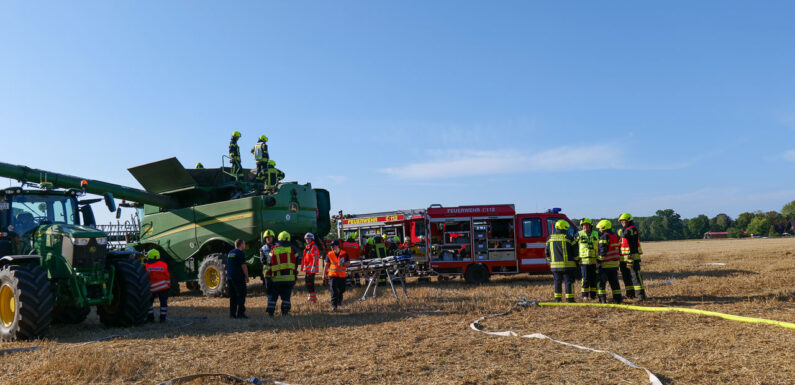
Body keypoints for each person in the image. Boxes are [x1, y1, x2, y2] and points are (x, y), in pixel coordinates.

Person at [545, 220, 579, 303]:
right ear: (565, 228)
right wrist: (577, 260)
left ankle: (557, 299)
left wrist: (551, 261)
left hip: (554, 266)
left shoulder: (549, 238)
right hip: (568, 265)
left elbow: (547, 253)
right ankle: (569, 299)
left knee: (557, 282)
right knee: (568, 281)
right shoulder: (569, 238)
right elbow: (576, 252)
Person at [265, 231, 298, 317]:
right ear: (288, 238)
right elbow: (297, 260)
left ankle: (271, 313)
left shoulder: (274, 249)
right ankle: (285, 313)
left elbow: (269, 262)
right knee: (286, 296)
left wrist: (268, 275)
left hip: (277, 278)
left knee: (273, 296)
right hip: (289, 278)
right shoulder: (293, 248)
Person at [617, 213, 647, 300]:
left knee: (636, 277)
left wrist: (619, 231)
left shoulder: (633, 229)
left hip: (632, 257)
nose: (622, 222)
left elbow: (624, 234)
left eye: (624, 221)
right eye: (621, 221)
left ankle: (641, 295)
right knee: (626, 278)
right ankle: (630, 294)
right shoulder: (624, 229)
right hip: (623, 258)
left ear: (629, 220)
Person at [596, 220, 623, 304]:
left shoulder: (604, 236)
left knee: (601, 282)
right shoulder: (615, 236)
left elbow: (603, 250)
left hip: (605, 264)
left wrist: (599, 261)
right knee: (614, 283)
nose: (599, 230)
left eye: (600, 228)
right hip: (614, 264)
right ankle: (618, 299)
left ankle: (602, 300)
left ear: (603, 228)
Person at [144, 249, 170, 322]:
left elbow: (145, 277)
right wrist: (168, 285)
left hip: (152, 288)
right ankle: (162, 318)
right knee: (163, 303)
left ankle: (150, 318)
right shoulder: (164, 264)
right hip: (164, 287)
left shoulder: (146, 265)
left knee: (149, 303)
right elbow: (167, 275)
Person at [324, 240, 350, 311]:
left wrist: (344, 264)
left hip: (342, 275)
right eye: (331, 246)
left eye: (333, 246)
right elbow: (326, 265)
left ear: (337, 246)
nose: (332, 247)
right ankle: (334, 306)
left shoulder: (344, 253)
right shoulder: (329, 254)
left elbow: (348, 263)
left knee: (341, 290)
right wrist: (324, 275)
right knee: (333, 290)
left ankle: (339, 301)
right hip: (332, 275)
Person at [577, 218, 599, 300]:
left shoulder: (596, 234)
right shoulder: (578, 234)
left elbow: (600, 246)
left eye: (586, 225)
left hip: (594, 260)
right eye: (583, 225)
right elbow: (575, 247)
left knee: (593, 279)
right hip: (583, 261)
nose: (585, 227)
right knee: (585, 279)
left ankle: (593, 296)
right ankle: (584, 296)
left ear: (590, 225)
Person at [227, 239, 249, 319]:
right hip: (238, 277)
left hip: (230, 277)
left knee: (233, 296)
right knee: (241, 294)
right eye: (244, 244)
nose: (245, 245)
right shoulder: (240, 253)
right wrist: (246, 276)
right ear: (241, 244)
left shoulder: (230, 253)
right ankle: (240, 314)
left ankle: (232, 314)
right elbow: (243, 266)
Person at [301, 232, 321, 302]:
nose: (307, 240)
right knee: (308, 282)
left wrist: (313, 266)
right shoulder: (307, 247)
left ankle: (313, 298)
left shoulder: (313, 246)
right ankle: (311, 297)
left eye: (309, 239)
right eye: (306, 239)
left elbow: (315, 256)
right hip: (308, 269)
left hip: (311, 269)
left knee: (310, 283)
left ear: (312, 239)